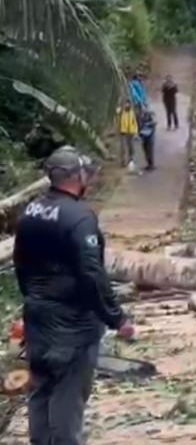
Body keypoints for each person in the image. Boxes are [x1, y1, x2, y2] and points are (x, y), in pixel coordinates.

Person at [13, 145, 135, 445]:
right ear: (77, 177)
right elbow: (91, 273)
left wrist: (33, 300)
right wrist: (117, 318)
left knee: (41, 388)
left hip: (38, 316)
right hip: (72, 324)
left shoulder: (31, 212)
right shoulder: (80, 217)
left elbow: (20, 263)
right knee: (68, 397)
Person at [115, 100, 138, 167]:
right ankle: (123, 161)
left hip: (131, 132)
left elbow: (134, 122)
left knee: (131, 147)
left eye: (128, 104)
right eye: (126, 104)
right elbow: (117, 113)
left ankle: (131, 159)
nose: (127, 105)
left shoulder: (132, 113)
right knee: (123, 147)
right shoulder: (121, 112)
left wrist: (135, 132)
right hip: (123, 131)